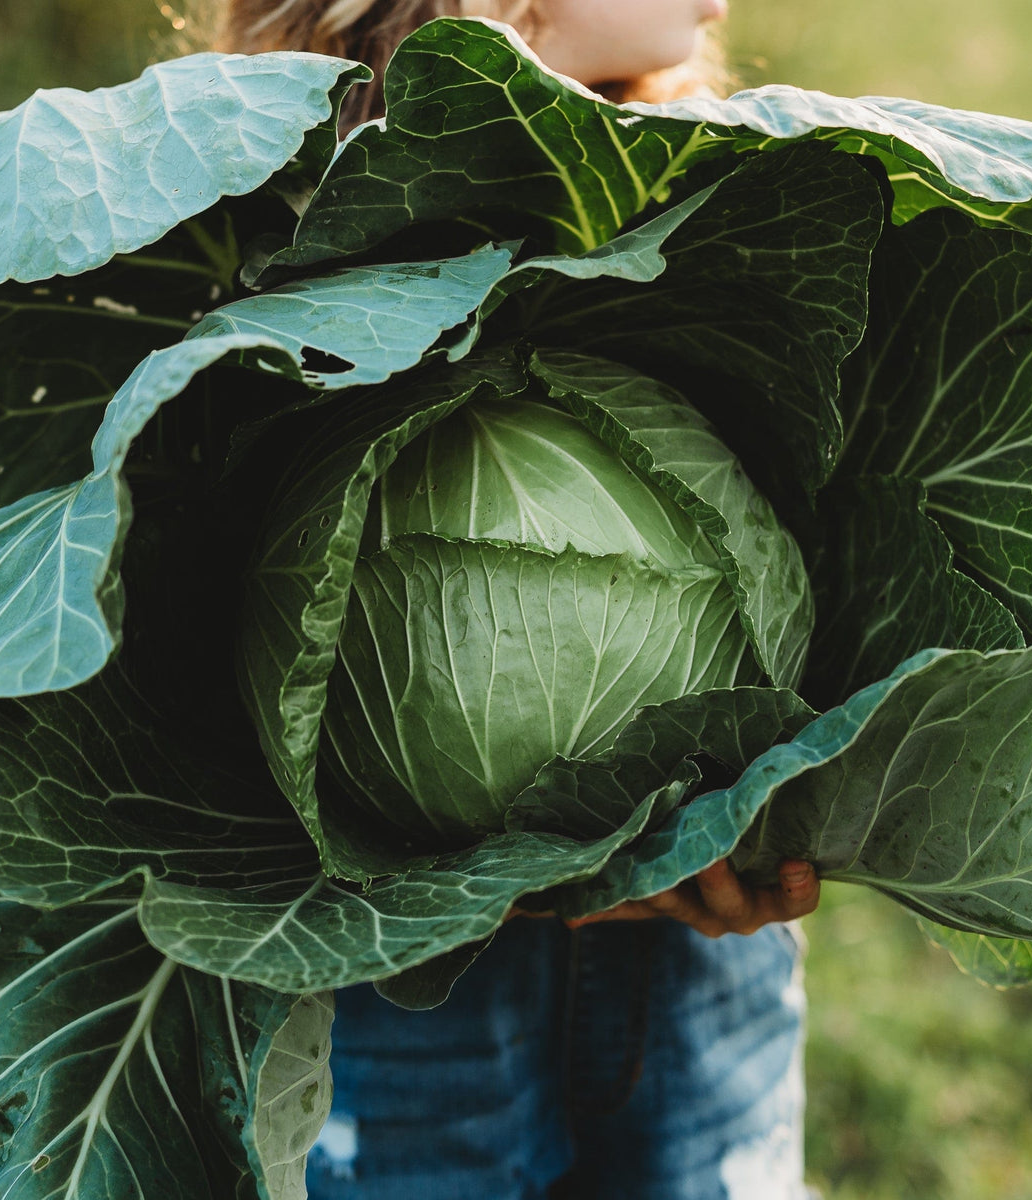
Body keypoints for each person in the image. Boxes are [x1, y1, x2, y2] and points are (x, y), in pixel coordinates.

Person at [216, 2, 821, 1196]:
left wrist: (781, 805)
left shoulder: (745, 188)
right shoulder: (237, 229)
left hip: (701, 960)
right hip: (379, 978)